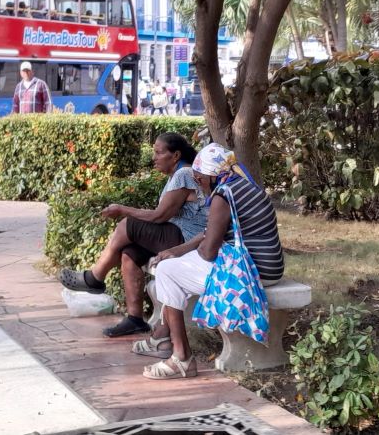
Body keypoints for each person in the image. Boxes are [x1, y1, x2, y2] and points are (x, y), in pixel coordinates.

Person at [134, 143, 285, 379]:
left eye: (199, 177)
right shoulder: (243, 186)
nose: (197, 182)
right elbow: (209, 233)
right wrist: (178, 250)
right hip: (270, 266)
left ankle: (180, 357)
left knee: (166, 271)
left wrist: (181, 256)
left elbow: (208, 252)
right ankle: (165, 336)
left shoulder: (223, 196)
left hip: (252, 273)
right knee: (172, 266)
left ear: (211, 175)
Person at [59, 133, 207, 337]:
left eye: (158, 152)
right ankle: (135, 319)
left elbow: (159, 216)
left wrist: (122, 209)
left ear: (175, 155)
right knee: (130, 253)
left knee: (127, 225)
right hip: (177, 234)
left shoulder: (184, 174)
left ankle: (95, 277)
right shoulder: (177, 175)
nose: (154, 157)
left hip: (188, 240)